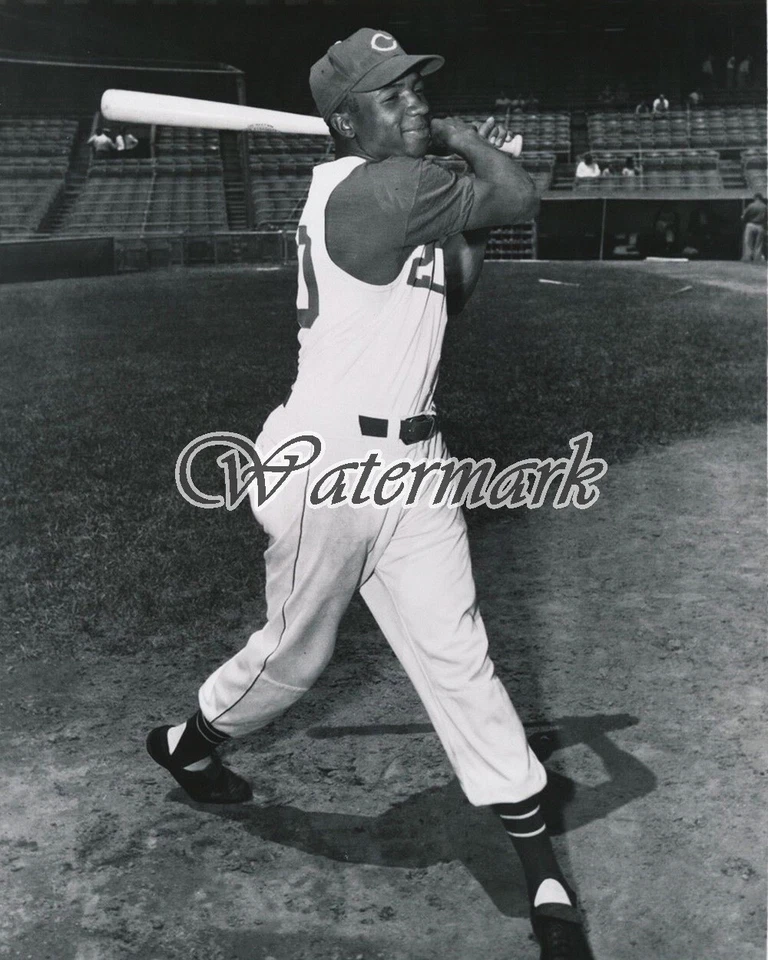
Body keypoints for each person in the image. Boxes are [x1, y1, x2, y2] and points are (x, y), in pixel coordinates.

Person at [146, 26, 596, 960]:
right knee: (292, 662)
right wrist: (472, 142)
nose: (417, 103)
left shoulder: (387, 191)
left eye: (419, 89)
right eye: (391, 96)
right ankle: (188, 741)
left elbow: (451, 288)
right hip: (327, 468)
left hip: (416, 466)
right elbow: (517, 194)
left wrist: (455, 195)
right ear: (347, 119)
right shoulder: (378, 189)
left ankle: (538, 862)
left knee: (456, 653)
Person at [741, 192, 767, 261]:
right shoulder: (765, 207)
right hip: (760, 226)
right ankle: (757, 259)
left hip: (751, 224)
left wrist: (743, 217)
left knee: (748, 243)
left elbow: (744, 216)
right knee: (758, 244)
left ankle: (748, 258)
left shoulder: (751, 205)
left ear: (755, 197)